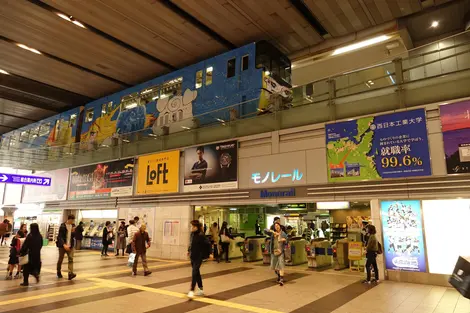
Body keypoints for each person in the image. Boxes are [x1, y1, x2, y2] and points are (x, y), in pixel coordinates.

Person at [187, 220, 206, 298]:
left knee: (194, 273)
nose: (191, 228)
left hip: (199, 257)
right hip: (193, 256)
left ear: (196, 227)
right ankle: (201, 289)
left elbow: (207, 244)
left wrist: (210, 254)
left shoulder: (201, 235)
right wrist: (188, 251)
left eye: (192, 226)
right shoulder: (192, 234)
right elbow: (191, 243)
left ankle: (192, 290)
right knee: (196, 272)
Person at [56, 214, 76, 280]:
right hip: (62, 246)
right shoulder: (62, 226)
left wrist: (73, 232)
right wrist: (64, 245)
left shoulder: (73, 226)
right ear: (69, 219)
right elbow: (60, 237)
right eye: (72, 220)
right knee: (60, 259)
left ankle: (70, 273)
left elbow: (73, 236)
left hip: (70, 245)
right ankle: (58, 271)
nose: (72, 222)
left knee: (71, 259)